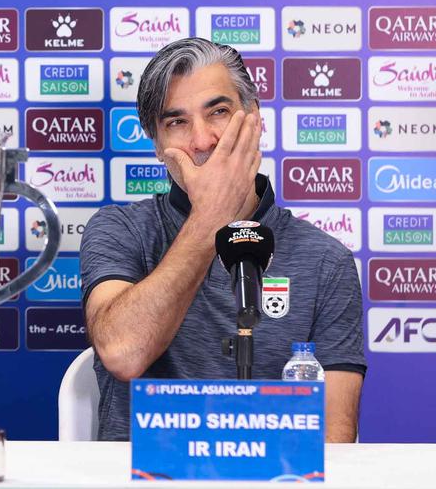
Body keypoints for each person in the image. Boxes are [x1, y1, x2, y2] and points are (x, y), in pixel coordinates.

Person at [80, 38, 364, 442]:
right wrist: (211, 217)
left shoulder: (326, 261)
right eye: (176, 122)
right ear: (157, 145)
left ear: (255, 119)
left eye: (218, 112)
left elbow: (334, 441)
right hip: (140, 473)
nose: (202, 140)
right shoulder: (121, 229)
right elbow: (123, 353)